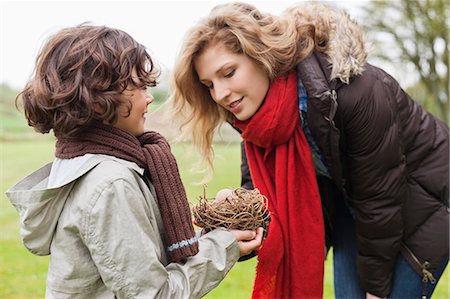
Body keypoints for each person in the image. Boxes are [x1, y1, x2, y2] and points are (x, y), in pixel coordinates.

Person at [169, 2, 449, 299]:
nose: (220, 94)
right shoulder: (257, 122)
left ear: (261, 54)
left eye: (228, 73)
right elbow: (261, 199)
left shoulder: (354, 92)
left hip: (422, 202)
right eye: (209, 85)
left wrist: (376, 290)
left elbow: (380, 197)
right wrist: (236, 211)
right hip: (354, 208)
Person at [6, 24, 264, 298]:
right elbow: (153, 293)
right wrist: (222, 246)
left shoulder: (85, 163)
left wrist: (218, 237)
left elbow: (142, 265)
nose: (150, 96)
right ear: (98, 99)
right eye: (139, 86)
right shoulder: (110, 183)